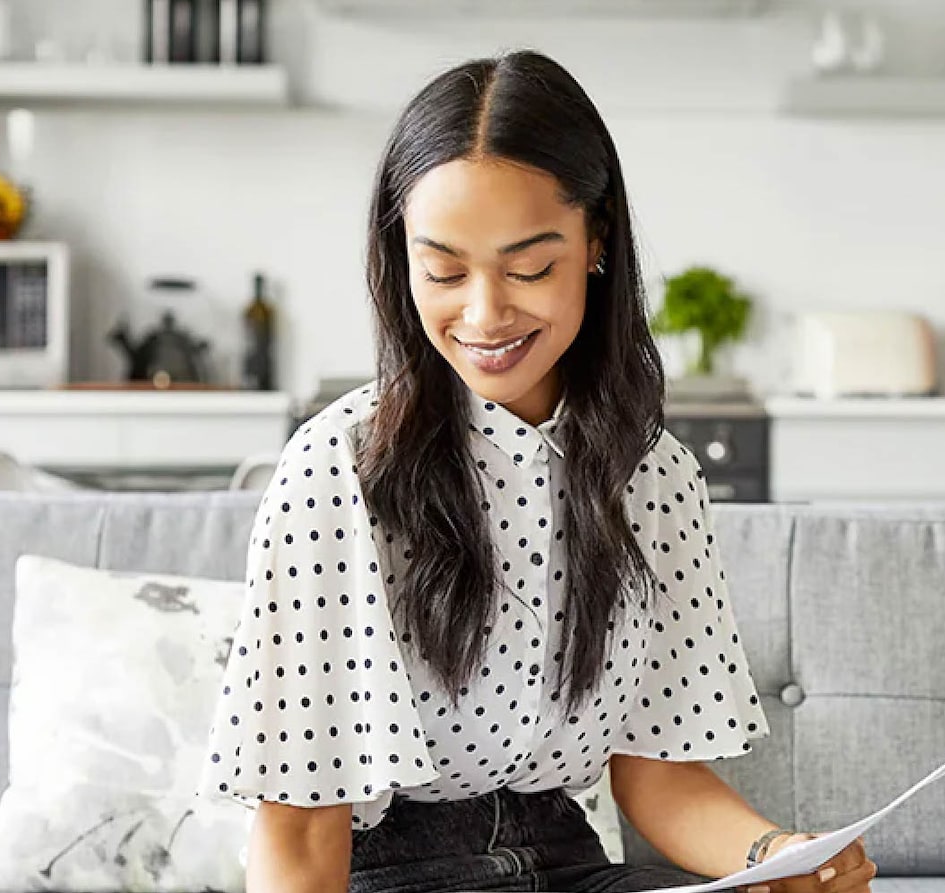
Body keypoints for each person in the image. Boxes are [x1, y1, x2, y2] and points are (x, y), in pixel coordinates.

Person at [197, 51, 876, 893]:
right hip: (399, 872)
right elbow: (299, 832)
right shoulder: (338, 467)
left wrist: (773, 855)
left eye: (529, 268)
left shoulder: (657, 478)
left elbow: (658, 774)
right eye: (443, 271)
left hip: (569, 859)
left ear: (595, 243)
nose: (484, 314)